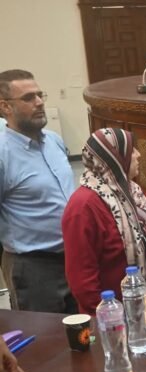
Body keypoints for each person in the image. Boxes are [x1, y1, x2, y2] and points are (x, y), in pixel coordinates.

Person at [62, 128, 146, 319]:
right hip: (116, 319)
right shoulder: (83, 206)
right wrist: (109, 319)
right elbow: (82, 279)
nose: (139, 154)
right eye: (131, 150)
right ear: (114, 158)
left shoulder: (133, 191)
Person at [0, 69, 77, 314]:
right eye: (28, 98)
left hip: (74, 256)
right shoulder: (3, 154)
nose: (39, 102)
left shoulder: (54, 141)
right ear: (5, 107)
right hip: (33, 267)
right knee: (45, 336)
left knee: (84, 330)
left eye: (39, 95)